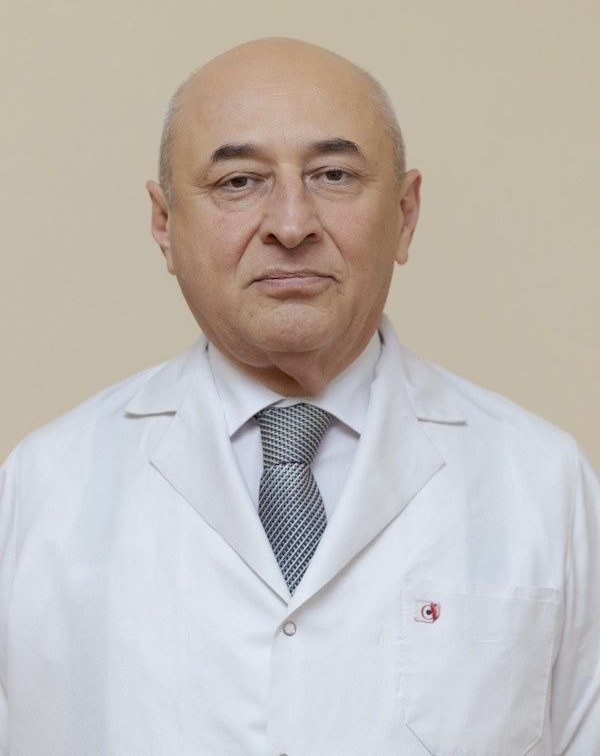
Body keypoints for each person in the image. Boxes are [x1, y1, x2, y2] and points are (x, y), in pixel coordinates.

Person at [0, 38, 598, 756]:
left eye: (334, 175)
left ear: (405, 213)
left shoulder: (543, 481)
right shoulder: (42, 485)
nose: (291, 225)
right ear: (164, 225)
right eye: (238, 181)